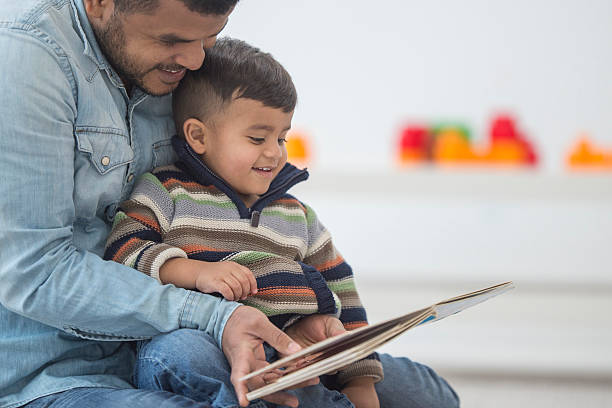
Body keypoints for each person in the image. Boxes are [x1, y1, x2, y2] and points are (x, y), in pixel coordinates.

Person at [103, 38, 460, 408]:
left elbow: (345, 295)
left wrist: (358, 383)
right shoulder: (167, 191)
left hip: (295, 356)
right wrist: (192, 271)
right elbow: (122, 250)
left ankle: (310, 397)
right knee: (179, 353)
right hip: (208, 347)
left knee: (428, 392)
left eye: (282, 136)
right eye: (258, 138)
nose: (274, 152)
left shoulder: (296, 215)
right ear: (198, 136)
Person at [0, 1, 319, 407]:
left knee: (408, 385)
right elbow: (33, 272)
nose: (196, 59)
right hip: (53, 377)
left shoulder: (176, 64)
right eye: (171, 39)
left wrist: (292, 316)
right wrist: (214, 317)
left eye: (211, 36)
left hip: (168, 348)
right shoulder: (26, 55)